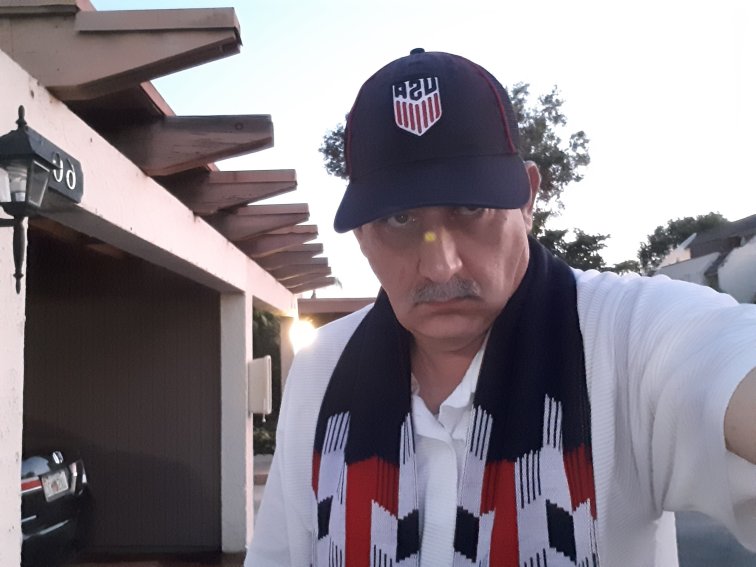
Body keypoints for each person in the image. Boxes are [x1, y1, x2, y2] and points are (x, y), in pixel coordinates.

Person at [246, 49, 756, 567]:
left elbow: (721, 355)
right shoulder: (323, 368)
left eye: (471, 208)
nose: (440, 266)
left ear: (528, 199)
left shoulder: (623, 339)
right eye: (400, 219)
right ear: (360, 234)